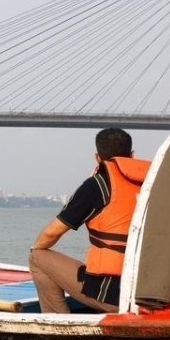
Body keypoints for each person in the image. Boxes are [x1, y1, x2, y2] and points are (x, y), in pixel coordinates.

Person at [28, 128, 151, 313]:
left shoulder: (98, 186)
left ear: (97, 157)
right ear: (132, 155)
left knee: (37, 257)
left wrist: (36, 247)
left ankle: (58, 323)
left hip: (113, 297)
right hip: (151, 294)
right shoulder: (154, 185)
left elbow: (51, 233)